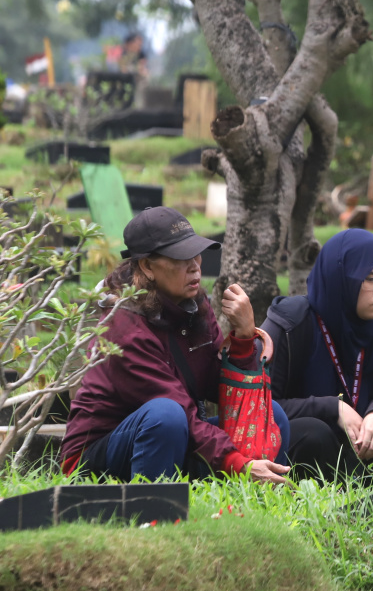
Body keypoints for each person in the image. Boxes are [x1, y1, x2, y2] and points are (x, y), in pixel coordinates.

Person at [61, 207, 291, 484]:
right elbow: (176, 407)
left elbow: (218, 388)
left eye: (196, 253)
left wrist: (243, 337)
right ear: (146, 265)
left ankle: (256, 508)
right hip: (97, 457)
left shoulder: (194, 306)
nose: (195, 265)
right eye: (182, 257)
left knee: (271, 415)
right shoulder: (122, 325)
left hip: (173, 438)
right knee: (165, 415)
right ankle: (152, 513)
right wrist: (237, 464)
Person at [261, 229, 373, 478]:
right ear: (340, 278)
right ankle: (361, 494)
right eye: (370, 279)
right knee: (315, 433)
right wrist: (333, 408)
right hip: (300, 441)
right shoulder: (291, 324)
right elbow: (263, 405)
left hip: (363, 444)